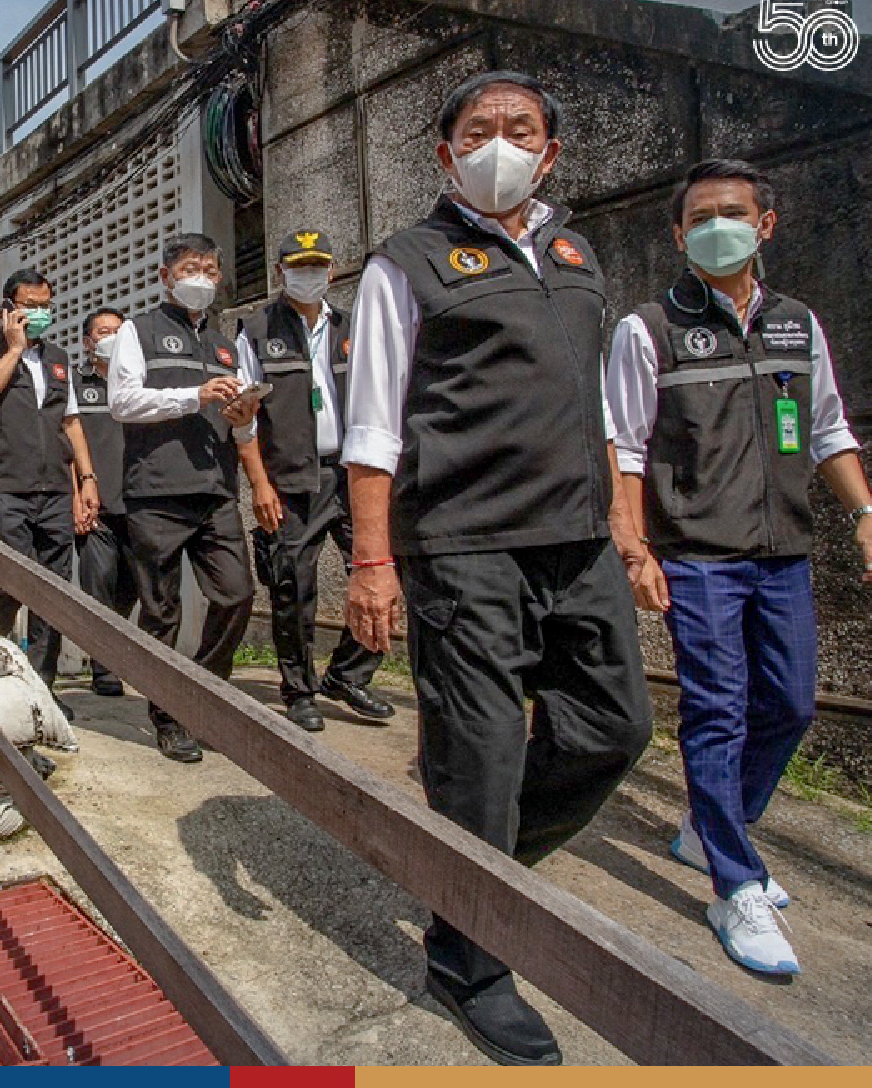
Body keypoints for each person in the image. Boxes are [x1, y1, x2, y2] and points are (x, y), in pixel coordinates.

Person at [342, 70, 652, 1066]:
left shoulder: (573, 251)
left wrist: (623, 521)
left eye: (520, 129)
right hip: (462, 546)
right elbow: (372, 426)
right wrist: (370, 560)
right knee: (477, 760)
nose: (499, 143)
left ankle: (475, 875)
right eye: (477, 130)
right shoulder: (409, 261)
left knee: (615, 726)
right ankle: (467, 957)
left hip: (574, 540)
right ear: (443, 155)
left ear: (551, 152)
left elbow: (596, 406)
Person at [607, 158, 872, 977]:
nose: (715, 227)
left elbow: (828, 429)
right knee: (718, 711)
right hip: (698, 555)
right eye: (698, 217)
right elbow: (623, 447)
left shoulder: (797, 327)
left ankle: (711, 824)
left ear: (765, 224)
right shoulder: (649, 329)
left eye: (732, 212)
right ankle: (734, 880)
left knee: (792, 703)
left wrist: (866, 513)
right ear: (677, 234)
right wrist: (634, 546)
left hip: (784, 553)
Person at [108, 233, 260, 763]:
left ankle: (203, 692)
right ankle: (168, 716)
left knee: (237, 593)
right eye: (192, 268)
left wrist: (244, 415)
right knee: (162, 612)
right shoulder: (138, 330)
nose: (203, 278)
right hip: (156, 492)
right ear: (166, 276)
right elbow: (122, 401)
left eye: (211, 270)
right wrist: (191, 397)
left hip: (216, 490)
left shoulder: (224, 343)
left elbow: (240, 422)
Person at [235, 229, 390, 732]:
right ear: (280, 272)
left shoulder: (353, 325)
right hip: (290, 479)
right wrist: (259, 484)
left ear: (332, 268)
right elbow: (244, 418)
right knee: (292, 588)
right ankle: (299, 689)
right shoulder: (257, 331)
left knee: (382, 571)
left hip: (351, 474)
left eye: (317, 265)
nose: (310, 275)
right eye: (298, 267)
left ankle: (348, 674)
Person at [0, 269, 100, 684]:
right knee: (7, 584)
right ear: (7, 308)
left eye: (45, 306)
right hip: (4, 488)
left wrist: (86, 480)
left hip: (54, 490)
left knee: (53, 592)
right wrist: (14, 350)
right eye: (30, 306)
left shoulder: (59, 361)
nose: (39, 313)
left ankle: (42, 684)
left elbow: (71, 424)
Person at [71, 308, 138, 697]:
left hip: (139, 504)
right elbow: (66, 447)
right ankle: (104, 668)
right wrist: (78, 491)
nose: (110, 337)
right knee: (100, 588)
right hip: (97, 508)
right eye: (102, 331)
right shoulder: (78, 387)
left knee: (132, 589)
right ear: (88, 342)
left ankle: (112, 652)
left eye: (117, 331)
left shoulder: (137, 381)